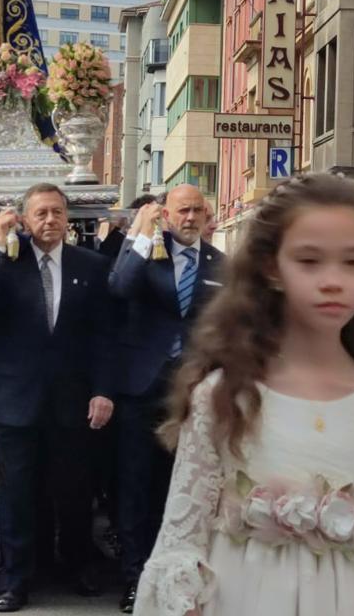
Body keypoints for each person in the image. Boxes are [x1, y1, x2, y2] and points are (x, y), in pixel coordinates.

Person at [133, 174, 354, 616]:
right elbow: (181, 538)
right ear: (272, 268)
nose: (333, 280)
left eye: (351, 262)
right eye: (310, 260)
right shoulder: (224, 395)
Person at [0, 183, 115, 613]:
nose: (50, 220)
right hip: (15, 399)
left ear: (67, 218)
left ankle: (77, 564)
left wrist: (103, 389)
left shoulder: (91, 265)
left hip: (73, 399)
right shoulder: (6, 263)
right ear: (26, 220)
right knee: (16, 496)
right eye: (41, 214)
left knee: (73, 491)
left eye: (57, 212)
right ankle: (14, 577)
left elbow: (104, 336)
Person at [108, 184, 225, 613]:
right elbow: (120, 288)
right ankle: (137, 578)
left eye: (197, 210)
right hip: (143, 388)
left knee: (187, 490)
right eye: (182, 211)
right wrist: (142, 234)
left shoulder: (222, 265)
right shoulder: (144, 252)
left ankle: (186, 575)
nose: (190, 218)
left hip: (197, 392)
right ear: (167, 215)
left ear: (207, 214)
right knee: (136, 487)